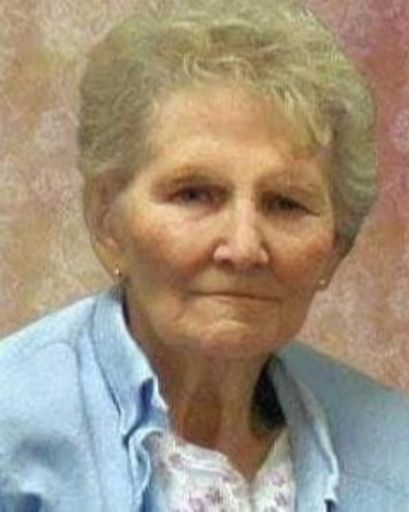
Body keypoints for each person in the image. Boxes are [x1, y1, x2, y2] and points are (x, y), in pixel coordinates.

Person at [1, 0, 409, 510]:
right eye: (194, 194)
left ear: (335, 247)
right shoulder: (12, 432)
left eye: (286, 203)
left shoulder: (394, 448)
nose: (243, 247)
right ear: (107, 221)